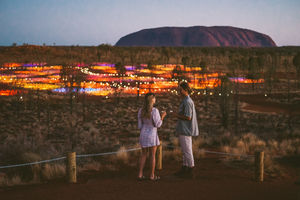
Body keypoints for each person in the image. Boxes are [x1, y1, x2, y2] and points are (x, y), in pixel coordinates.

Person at [137, 93, 166, 181]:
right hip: (152, 134)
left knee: (144, 155)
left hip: (143, 134)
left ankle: (140, 174)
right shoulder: (154, 111)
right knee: (152, 155)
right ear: (152, 100)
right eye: (154, 98)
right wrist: (162, 117)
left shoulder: (141, 111)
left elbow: (139, 126)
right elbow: (158, 124)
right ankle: (152, 175)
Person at [172, 82, 199, 178]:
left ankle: (191, 169)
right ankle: (185, 168)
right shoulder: (186, 100)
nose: (179, 92)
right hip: (184, 129)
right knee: (185, 150)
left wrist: (176, 115)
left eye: (180, 90)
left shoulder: (187, 102)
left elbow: (188, 117)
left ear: (185, 90)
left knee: (187, 150)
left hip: (185, 129)